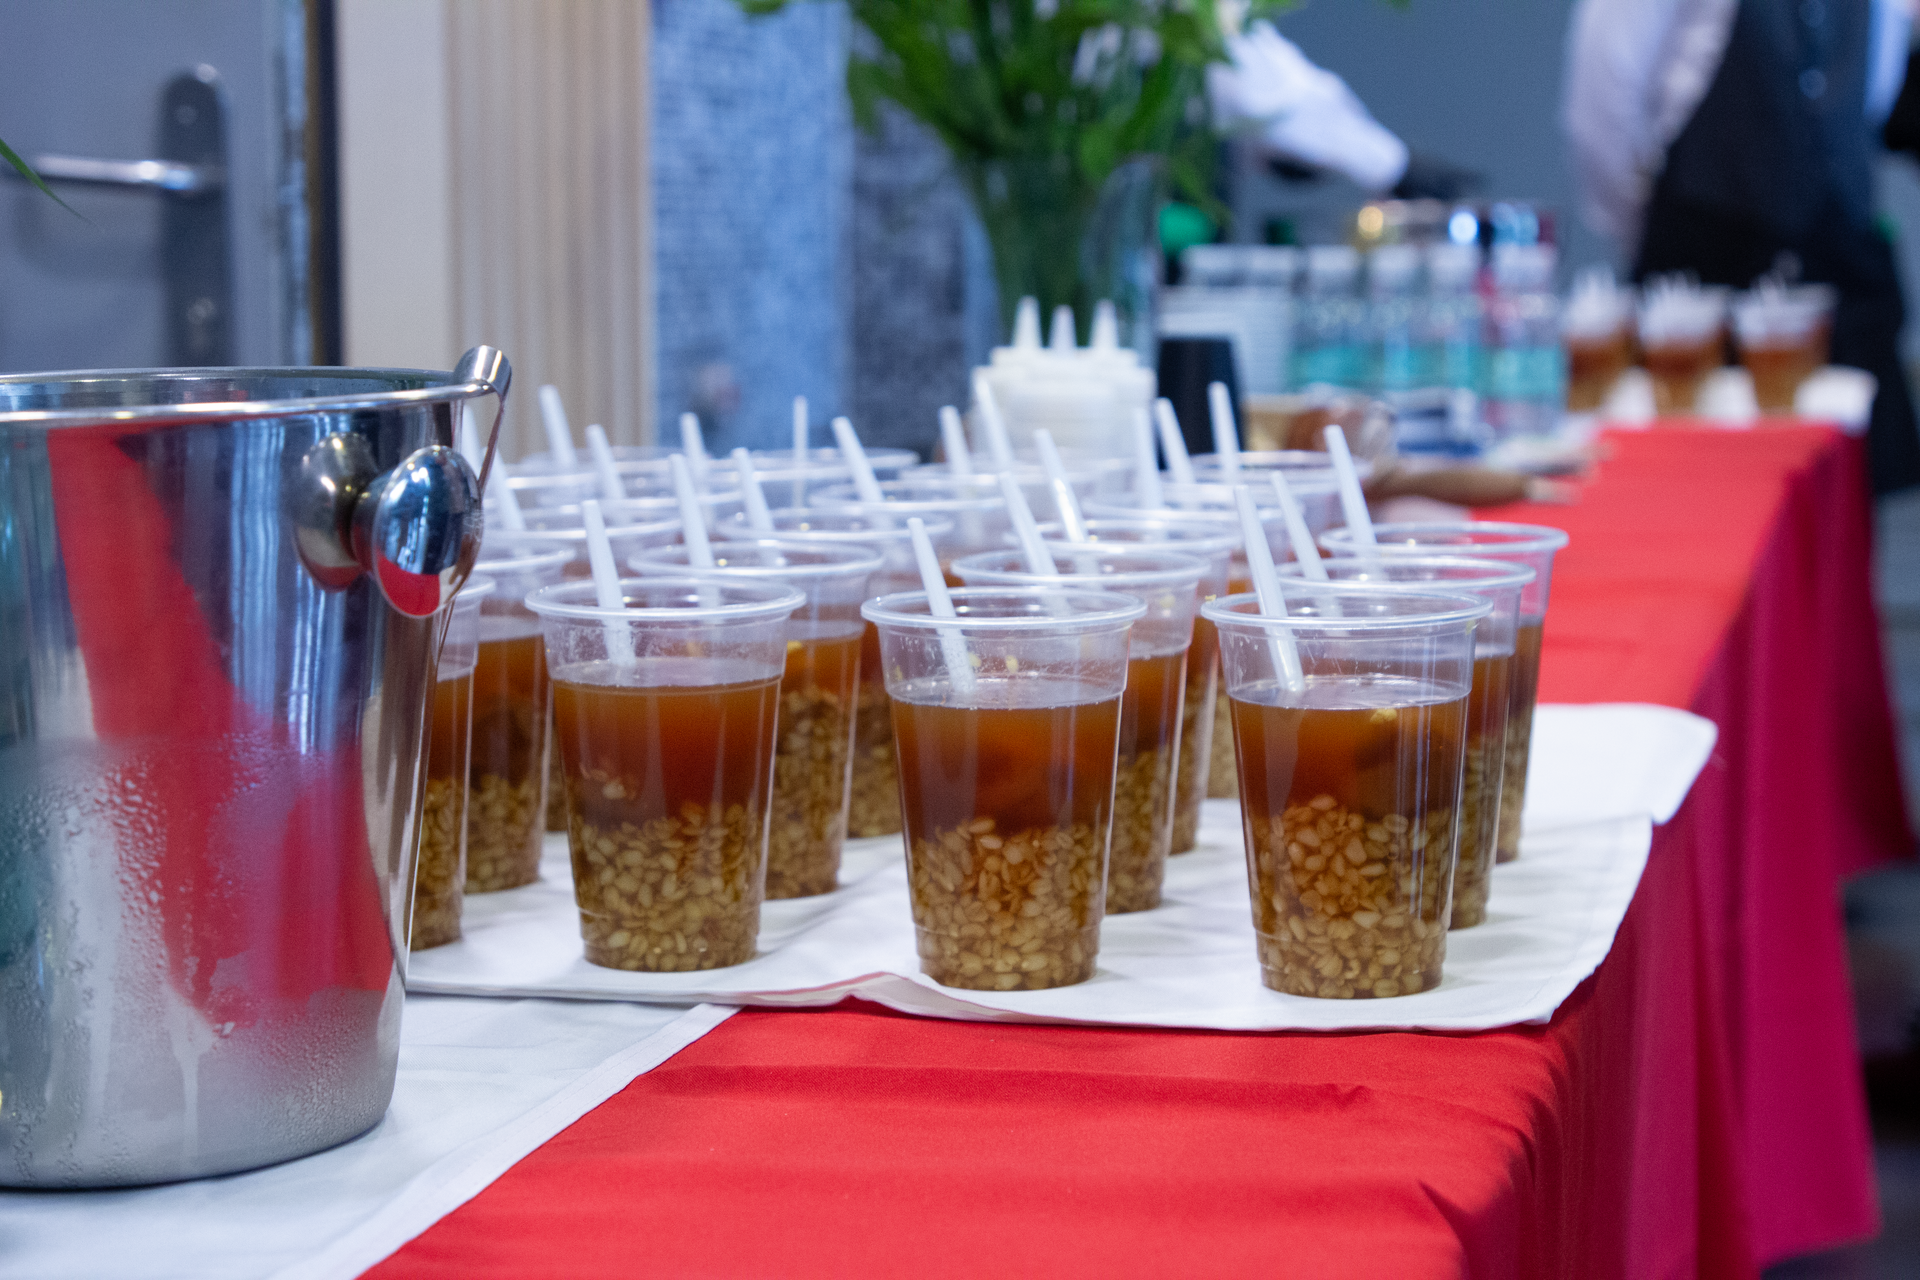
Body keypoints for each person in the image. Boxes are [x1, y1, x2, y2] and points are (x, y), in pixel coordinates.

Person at [1565, 0, 1920, 494]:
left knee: (1856, 496)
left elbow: (1872, 88)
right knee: (1698, 492)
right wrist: (1657, 225)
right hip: (1707, 273)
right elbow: (1604, 99)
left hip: (1841, 270)